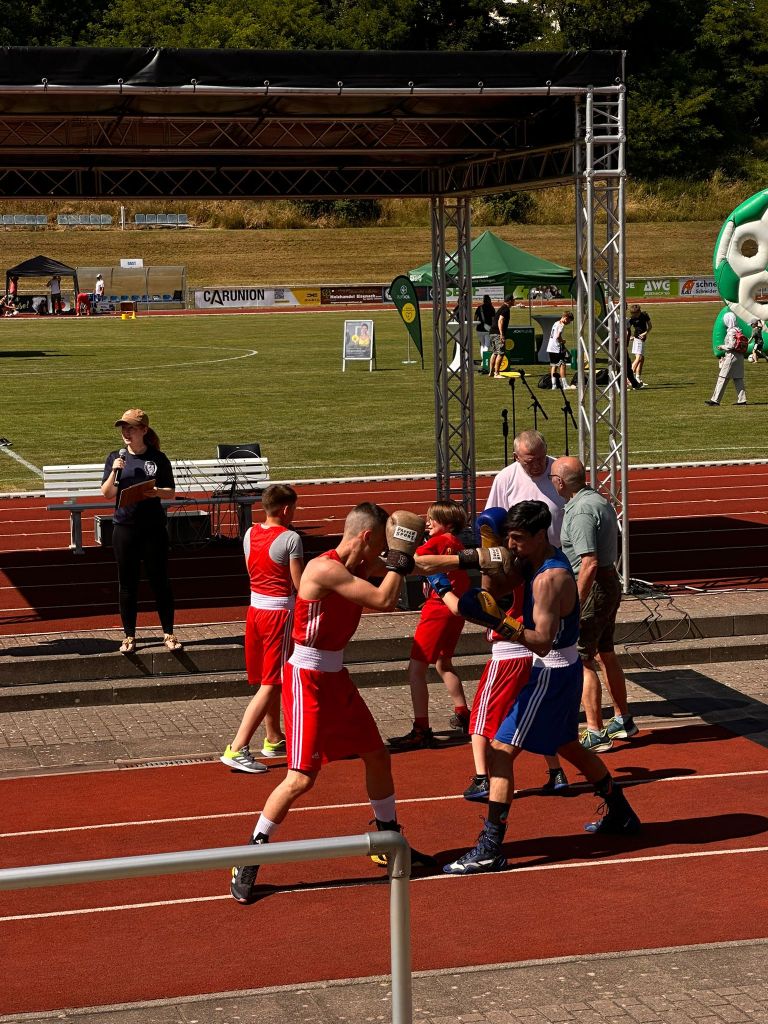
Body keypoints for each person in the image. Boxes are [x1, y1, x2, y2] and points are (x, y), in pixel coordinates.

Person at [230, 504, 436, 905]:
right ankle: (249, 856)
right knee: (301, 779)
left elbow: (416, 569)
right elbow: (385, 600)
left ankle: (387, 840)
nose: (381, 552)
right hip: (307, 678)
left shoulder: (356, 567)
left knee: (377, 756)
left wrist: (468, 559)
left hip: (335, 676)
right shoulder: (324, 570)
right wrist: (399, 553)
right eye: (379, 544)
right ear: (365, 538)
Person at [440, 500, 641, 875]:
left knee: (500, 752)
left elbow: (542, 640)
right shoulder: (535, 558)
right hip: (558, 672)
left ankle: (490, 846)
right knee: (568, 747)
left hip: (548, 670)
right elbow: (498, 586)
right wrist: (485, 555)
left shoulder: (549, 578)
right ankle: (622, 812)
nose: (512, 545)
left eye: (517, 539)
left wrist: (499, 620)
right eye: (509, 538)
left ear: (537, 535)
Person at [549, 457, 636, 752]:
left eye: (552, 478)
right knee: (605, 652)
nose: (551, 482)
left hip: (594, 586)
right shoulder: (596, 500)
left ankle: (595, 730)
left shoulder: (582, 510)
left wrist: (575, 601)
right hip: (607, 582)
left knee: (583, 657)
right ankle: (623, 719)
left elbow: (588, 562)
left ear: (561, 481)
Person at [220, 484, 303, 774]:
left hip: (255, 611)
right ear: (285, 509)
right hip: (279, 614)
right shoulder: (291, 538)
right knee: (272, 681)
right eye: (293, 507)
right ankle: (238, 746)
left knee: (268, 678)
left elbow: (252, 569)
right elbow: (300, 585)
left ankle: (273, 736)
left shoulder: (250, 533)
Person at [388, 501, 470, 751]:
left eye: (432, 519)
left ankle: (421, 728)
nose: (427, 522)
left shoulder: (440, 541)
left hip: (438, 608)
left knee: (416, 669)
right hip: (454, 608)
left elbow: (410, 560)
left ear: (447, 523)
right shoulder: (454, 543)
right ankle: (464, 712)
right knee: (443, 664)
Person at [101, 409, 181, 654]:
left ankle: (168, 632)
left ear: (144, 430)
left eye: (131, 428)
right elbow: (107, 493)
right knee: (127, 584)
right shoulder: (116, 457)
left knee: (160, 581)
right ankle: (129, 636)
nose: (126, 432)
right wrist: (115, 470)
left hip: (153, 528)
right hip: (124, 528)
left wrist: (155, 491)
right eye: (123, 428)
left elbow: (171, 492)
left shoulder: (158, 458)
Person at [485, 429, 565, 546]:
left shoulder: (561, 472)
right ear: (516, 457)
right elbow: (492, 521)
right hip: (520, 555)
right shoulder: (505, 478)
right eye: (530, 461)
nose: (537, 465)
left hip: (558, 552)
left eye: (541, 458)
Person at [706, 311, 747, 406]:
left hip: (732, 356)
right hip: (739, 356)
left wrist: (722, 347)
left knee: (722, 378)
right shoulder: (738, 330)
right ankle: (742, 400)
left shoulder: (731, 332)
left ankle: (715, 400)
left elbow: (731, 346)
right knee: (738, 378)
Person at [547, 311, 575, 391]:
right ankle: (565, 384)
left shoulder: (555, 323)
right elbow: (558, 337)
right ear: (566, 318)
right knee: (562, 365)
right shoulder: (561, 325)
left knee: (553, 365)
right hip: (556, 348)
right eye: (569, 321)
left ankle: (554, 385)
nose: (569, 323)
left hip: (550, 347)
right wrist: (562, 341)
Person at [489, 294, 514, 379]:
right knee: (501, 353)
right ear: (510, 301)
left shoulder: (501, 308)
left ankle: (491, 372)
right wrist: (502, 334)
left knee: (495, 352)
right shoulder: (506, 309)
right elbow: (500, 320)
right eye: (513, 300)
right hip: (497, 333)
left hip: (492, 332)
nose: (514, 301)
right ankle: (496, 373)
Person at [628, 303, 652, 385]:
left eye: (635, 314)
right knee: (638, 358)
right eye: (632, 314)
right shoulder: (632, 319)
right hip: (637, 339)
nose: (633, 315)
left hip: (642, 339)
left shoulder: (645, 315)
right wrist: (629, 336)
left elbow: (650, 326)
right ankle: (628, 377)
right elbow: (626, 329)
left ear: (639, 312)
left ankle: (637, 378)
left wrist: (645, 333)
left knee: (642, 359)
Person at [474, 294, 496, 373]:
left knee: (482, 345)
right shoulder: (491, 308)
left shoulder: (479, 308)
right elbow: (494, 320)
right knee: (487, 345)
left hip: (479, 329)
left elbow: (475, 318)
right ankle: (485, 361)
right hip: (488, 329)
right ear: (489, 300)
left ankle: (483, 360)